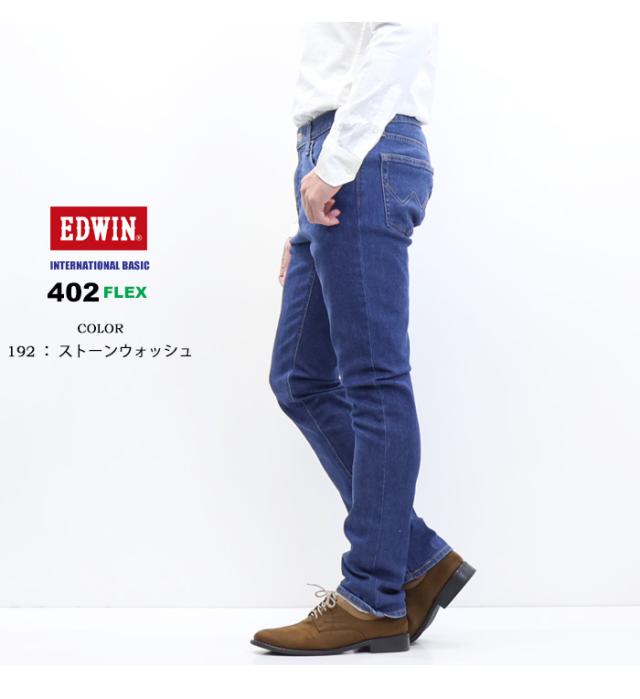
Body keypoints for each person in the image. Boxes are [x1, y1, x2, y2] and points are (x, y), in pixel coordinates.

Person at [251, 22, 475, 656]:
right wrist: (307, 208)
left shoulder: (350, 152)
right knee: (299, 378)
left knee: (375, 380)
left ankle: (373, 596)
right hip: (333, 160)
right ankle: (416, 556)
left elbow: (403, 34)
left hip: (360, 155)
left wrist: (336, 163)